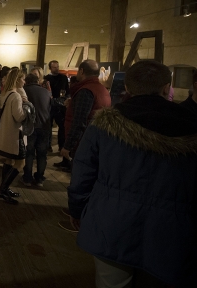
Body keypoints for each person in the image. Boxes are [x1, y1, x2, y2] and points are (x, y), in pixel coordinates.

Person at [68, 60, 197, 287]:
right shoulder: (191, 126)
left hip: (111, 224)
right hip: (171, 231)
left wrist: (77, 210)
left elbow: (83, 173)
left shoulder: (103, 125)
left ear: (127, 87)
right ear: (166, 87)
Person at [60, 60, 111, 169]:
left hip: (83, 143)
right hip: (96, 140)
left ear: (82, 71)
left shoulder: (86, 91)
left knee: (79, 172)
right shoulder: (103, 90)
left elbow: (79, 121)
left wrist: (68, 145)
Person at [0, 67, 27, 204]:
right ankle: (2, 189)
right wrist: (27, 110)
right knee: (20, 163)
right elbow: (19, 117)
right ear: (17, 80)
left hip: (6, 133)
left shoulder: (6, 93)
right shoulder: (16, 96)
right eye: (23, 79)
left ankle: (4, 188)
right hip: (15, 135)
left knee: (8, 161)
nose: (24, 82)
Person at [22, 73, 52, 187]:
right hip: (44, 126)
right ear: (38, 81)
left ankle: (27, 178)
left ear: (26, 81)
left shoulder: (24, 91)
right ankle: (39, 178)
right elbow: (50, 108)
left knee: (29, 153)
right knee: (42, 154)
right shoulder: (46, 92)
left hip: (30, 126)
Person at [44, 60, 69, 162]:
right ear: (50, 68)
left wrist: (64, 99)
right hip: (49, 106)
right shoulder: (46, 78)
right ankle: (48, 146)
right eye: (54, 67)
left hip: (60, 106)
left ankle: (61, 146)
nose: (57, 69)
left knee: (62, 127)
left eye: (57, 67)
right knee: (48, 126)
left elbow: (67, 91)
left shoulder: (63, 78)